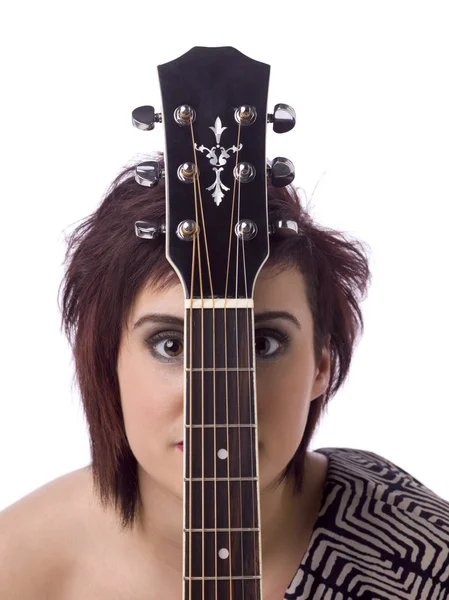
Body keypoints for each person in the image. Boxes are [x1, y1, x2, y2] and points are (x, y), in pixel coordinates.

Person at [1, 152, 448, 600]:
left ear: (321, 366)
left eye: (262, 344)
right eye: (170, 345)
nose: (217, 399)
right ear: (107, 363)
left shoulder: (429, 560)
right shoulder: (17, 567)